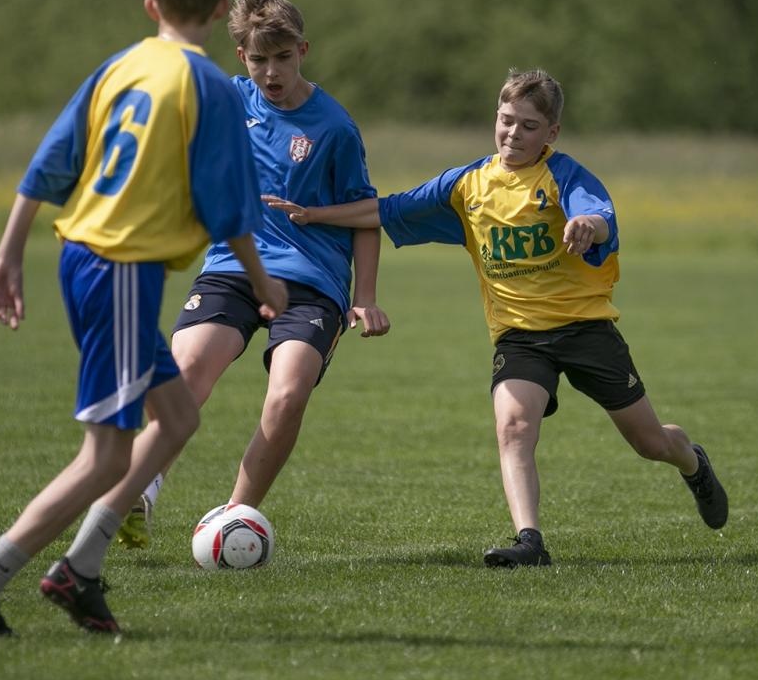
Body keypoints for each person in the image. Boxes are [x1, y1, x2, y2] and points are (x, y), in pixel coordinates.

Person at [0, 0, 288, 638]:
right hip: (121, 268)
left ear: (152, 7)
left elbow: (48, 163)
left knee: (178, 418)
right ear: (221, 11)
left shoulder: (122, 65)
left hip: (83, 255)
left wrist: (8, 254)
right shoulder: (208, 85)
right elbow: (228, 205)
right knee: (104, 456)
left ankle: (82, 569)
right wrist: (263, 278)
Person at [264, 68, 728, 568]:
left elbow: (598, 215)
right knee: (513, 426)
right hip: (519, 336)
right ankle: (530, 540)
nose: (514, 133)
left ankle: (691, 461)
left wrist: (585, 225)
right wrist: (314, 215)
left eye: (529, 126)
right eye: (507, 120)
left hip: (586, 329)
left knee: (649, 442)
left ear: (551, 133)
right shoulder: (469, 184)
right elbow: (387, 210)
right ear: (496, 118)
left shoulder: (563, 176)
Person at [114, 0, 389, 551]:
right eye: (259, 60)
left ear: (303, 51)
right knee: (186, 368)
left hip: (314, 282)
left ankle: (233, 521)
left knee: (287, 394)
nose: (272, 72)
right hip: (234, 267)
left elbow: (368, 214)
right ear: (241, 57)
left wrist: (365, 294)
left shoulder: (334, 127)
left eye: (283, 58)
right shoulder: (228, 102)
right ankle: (141, 492)